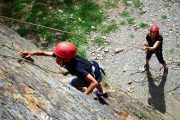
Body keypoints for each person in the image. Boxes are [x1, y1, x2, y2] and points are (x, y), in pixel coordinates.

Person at [19, 41, 107, 97]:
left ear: (66, 59)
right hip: (97, 69)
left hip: (94, 76)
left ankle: (82, 89)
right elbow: (44, 53)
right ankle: (102, 92)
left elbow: (93, 82)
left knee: (65, 83)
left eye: (58, 57)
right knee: (96, 81)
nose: (56, 58)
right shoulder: (69, 57)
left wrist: (84, 96)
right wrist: (31, 53)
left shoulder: (76, 68)